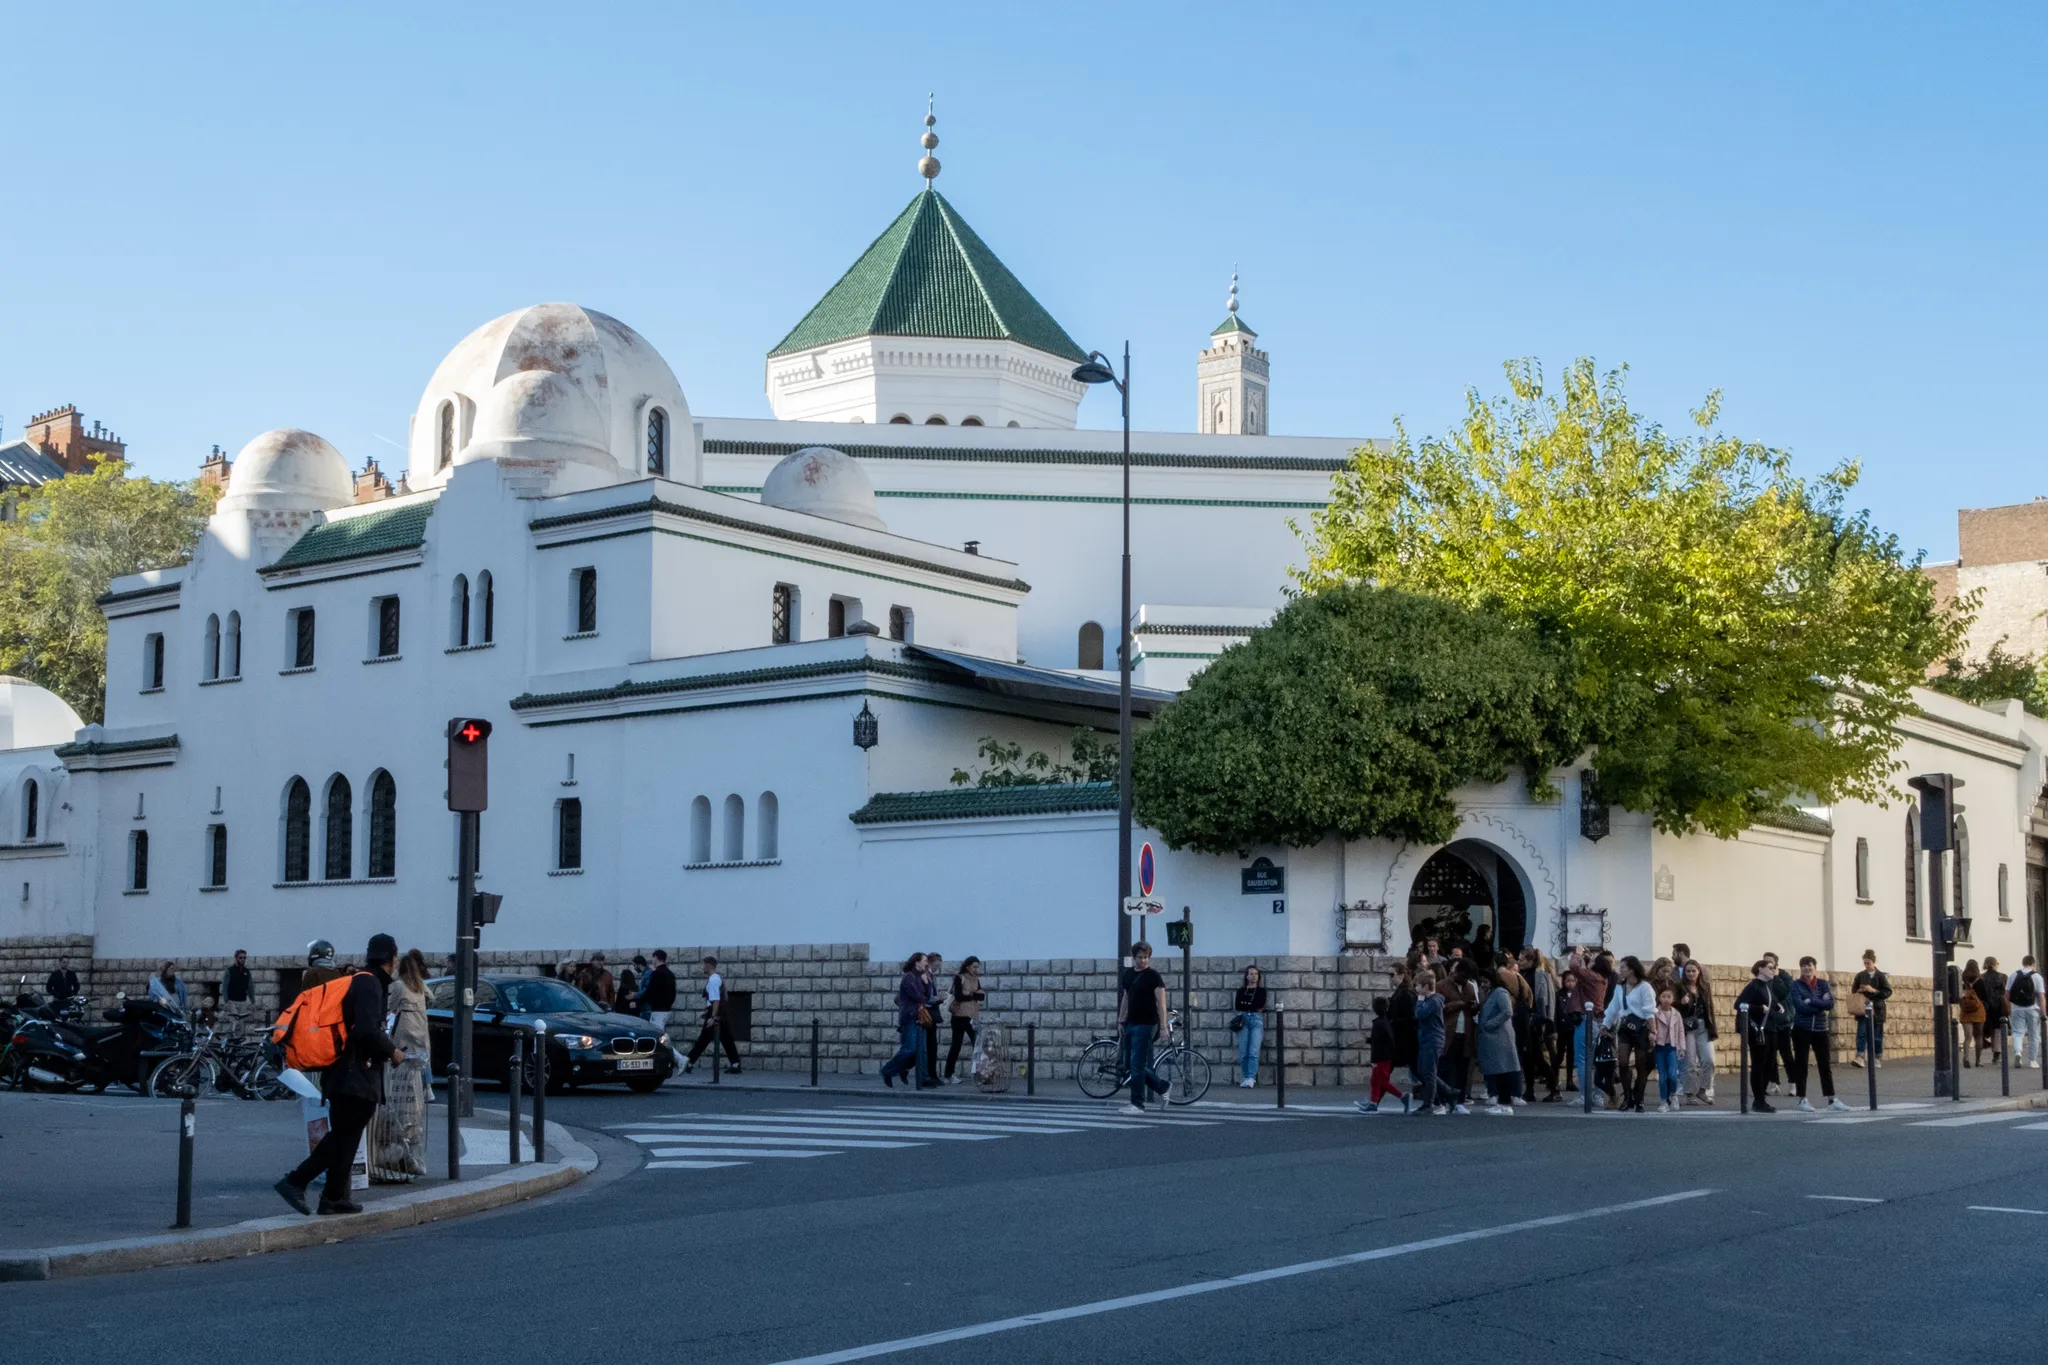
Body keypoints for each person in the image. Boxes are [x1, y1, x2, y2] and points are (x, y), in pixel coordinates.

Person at [275, 933, 403, 1216]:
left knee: (347, 1136)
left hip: (343, 1070)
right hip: (354, 1072)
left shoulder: (360, 980)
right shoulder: (369, 984)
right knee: (343, 1136)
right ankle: (295, 1181)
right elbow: (366, 1031)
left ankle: (333, 1197)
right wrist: (392, 1051)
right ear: (392, 959)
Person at [371, 948, 431, 1181]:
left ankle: (395, 1153)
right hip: (420, 1044)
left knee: (395, 1097)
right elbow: (432, 997)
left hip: (401, 1045)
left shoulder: (399, 986)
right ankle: (413, 1154)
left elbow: (385, 1008)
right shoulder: (420, 988)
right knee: (414, 1102)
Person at [1787, 955, 1849, 1112]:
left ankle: (1831, 1098)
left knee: (1825, 1065)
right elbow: (1800, 1007)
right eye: (1804, 966)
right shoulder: (1795, 985)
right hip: (1802, 1029)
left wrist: (1812, 1001)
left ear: (1815, 967)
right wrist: (1818, 1003)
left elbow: (1829, 1004)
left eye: (1809, 965)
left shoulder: (1822, 984)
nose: (1807, 969)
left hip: (1821, 1029)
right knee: (1801, 1065)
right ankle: (1802, 1099)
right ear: (1801, 969)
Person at [1118, 942, 1171, 1112]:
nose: (1143, 960)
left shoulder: (1153, 976)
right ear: (1134, 958)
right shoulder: (1128, 975)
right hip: (1131, 1023)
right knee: (1128, 1064)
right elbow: (1126, 997)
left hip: (1148, 1023)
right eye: (1140, 957)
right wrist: (1121, 1020)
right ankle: (1162, 1086)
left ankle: (1137, 1103)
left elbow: (1162, 1003)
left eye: (1146, 957)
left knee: (1136, 1063)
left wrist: (1163, 1027)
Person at [1602, 955, 1655, 1113]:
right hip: (1625, 1027)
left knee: (1641, 1065)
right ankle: (1627, 1097)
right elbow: (1613, 1007)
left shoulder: (1644, 987)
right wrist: (1605, 1024)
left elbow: (1649, 1011)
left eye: (1623, 967)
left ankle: (1639, 1099)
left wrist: (1653, 1031)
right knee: (1623, 1063)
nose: (1620, 970)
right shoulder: (1620, 987)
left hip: (1641, 1028)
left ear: (1631, 969)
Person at [1565, 948, 1610, 1107]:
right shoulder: (1601, 979)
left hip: (1586, 1021)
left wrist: (1577, 952)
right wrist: (1586, 958)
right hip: (1597, 1021)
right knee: (1595, 1062)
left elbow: (1574, 967)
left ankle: (1585, 1096)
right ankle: (1598, 1096)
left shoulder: (1591, 977)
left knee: (1582, 1060)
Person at [684, 955, 742, 1074]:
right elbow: (718, 998)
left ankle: (688, 1062)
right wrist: (707, 1011)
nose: (703, 968)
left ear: (709, 965)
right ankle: (735, 1063)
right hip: (720, 1013)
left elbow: (716, 1000)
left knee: (703, 1039)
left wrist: (713, 1017)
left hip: (716, 1014)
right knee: (726, 1039)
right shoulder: (716, 978)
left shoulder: (713, 980)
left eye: (704, 965)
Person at [881, 953, 932, 1088]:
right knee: (909, 1049)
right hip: (909, 1017)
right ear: (917, 962)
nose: (927, 963)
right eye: (925, 961)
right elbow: (918, 997)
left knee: (919, 1051)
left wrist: (927, 983)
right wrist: (924, 992)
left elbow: (929, 996)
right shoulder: (908, 977)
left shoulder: (921, 977)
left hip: (919, 1018)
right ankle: (888, 1070)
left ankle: (903, 1068)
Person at [1735, 960, 1778, 1113]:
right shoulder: (1753, 986)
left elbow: (1772, 1002)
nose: (1773, 970)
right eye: (1770, 968)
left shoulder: (1767, 986)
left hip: (1769, 1029)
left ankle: (1761, 1097)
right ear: (1760, 969)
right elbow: (1739, 1004)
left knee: (1769, 1063)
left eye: (1774, 968)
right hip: (1757, 1031)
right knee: (1759, 1064)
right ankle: (1759, 1100)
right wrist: (1759, 1008)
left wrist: (1777, 1007)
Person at [1355, 996, 1411, 1114]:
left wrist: (1370, 1041)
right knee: (1375, 1080)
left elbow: (1381, 1040)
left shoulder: (1379, 1023)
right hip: (1382, 1056)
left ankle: (1402, 1096)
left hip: (1381, 1057)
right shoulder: (1384, 1022)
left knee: (1382, 1082)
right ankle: (1373, 1102)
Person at [1475, 969, 1520, 1115]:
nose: (1483, 984)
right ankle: (1502, 1102)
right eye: (1482, 982)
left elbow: (1507, 1011)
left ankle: (1505, 1103)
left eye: (1486, 981)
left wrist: (1490, 1024)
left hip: (1500, 1037)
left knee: (1503, 1070)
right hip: (1494, 1037)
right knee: (1498, 1070)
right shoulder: (1490, 993)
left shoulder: (1500, 992)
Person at [1518, 949, 1559, 1102]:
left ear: (1531, 961)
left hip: (1536, 1021)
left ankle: (1554, 1088)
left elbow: (1549, 1001)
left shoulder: (1542, 976)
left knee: (1537, 1057)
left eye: (1522, 959)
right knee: (1527, 1057)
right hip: (1523, 1020)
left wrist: (1549, 1023)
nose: (1519, 962)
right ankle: (1529, 1089)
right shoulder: (1520, 975)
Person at [1676, 960, 1717, 1104]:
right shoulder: (1680, 987)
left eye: (1694, 971)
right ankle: (1689, 1094)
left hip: (1702, 1026)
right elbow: (1673, 1006)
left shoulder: (1704, 987)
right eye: (1688, 971)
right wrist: (1682, 1003)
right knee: (1690, 1062)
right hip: (1687, 1028)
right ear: (1684, 973)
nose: (1691, 974)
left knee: (1709, 1060)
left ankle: (1703, 1090)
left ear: (1699, 971)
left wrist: (1713, 1030)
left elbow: (1710, 1009)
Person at [944, 956, 985, 1084]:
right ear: (967, 966)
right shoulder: (959, 977)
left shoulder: (976, 979)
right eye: (974, 967)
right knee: (957, 1045)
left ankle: (980, 1073)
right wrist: (973, 995)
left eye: (978, 967)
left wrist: (969, 994)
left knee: (977, 1045)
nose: (977, 969)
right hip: (959, 1016)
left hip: (972, 1016)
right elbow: (959, 996)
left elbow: (982, 996)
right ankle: (949, 1075)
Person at [1411, 971, 1446, 1115]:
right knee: (1422, 1070)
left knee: (1429, 1072)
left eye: (1418, 986)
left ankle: (1429, 1103)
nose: (1416, 989)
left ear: (1426, 986)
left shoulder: (1434, 1001)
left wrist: (1419, 1000)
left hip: (1432, 1040)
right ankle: (1448, 1092)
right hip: (1426, 1039)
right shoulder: (1431, 1001)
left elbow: (1420, 1014)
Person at [1851, 949, 1892, 1070]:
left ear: (1873, 962)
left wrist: (1873, 990)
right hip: (1863, 1008)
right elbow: (1853, 991)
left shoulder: (1880, 976)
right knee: (1862, 1033)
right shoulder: (1860, 975)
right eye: (1865, 963)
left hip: (1877, 1009)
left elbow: (1887, 991)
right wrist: (1860, 990)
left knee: (1877, 1035)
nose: (1866, 965)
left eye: (1868, 963)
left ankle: (1876, 1057)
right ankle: (1860, 1057)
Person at [1764, 953, 1795, 1093]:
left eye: (1770, 962)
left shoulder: (1784, 977)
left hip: (1783, 1020)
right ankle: (1774, 1082)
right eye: (1764, 962)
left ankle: (1793, 1083)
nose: (1767, 965)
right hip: (1769, 1020)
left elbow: (1784, 993)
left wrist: (1776, 977)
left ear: (1776, 963)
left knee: (1786, 1053)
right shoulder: (1763, 978)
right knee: (1770, 1054)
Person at [1232, 964, 1268, 1088]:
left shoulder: (1261, 991)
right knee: (1243, 1051)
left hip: (1256, 1020)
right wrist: (1250, 1005)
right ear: (1246, 976)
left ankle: (1251, 1078)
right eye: (1251, 974)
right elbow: (1238, 1005)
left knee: (1253, 1050)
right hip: (1243, 1020)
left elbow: (1260, 1004)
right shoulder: (1241, 991)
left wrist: (1247, 1004)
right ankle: (1245, 1077)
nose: (1254, 976)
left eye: (1256, 974)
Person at [1652, 987, 1685, 1112]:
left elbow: (1681, 1031)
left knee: (1672, 1074)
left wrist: (1682, 1047)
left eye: (1669, 997)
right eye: (1663, 996)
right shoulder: (1655, 1013)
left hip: (1672, 1047)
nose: (1666, 999)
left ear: (1673, 999)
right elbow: (1652, 1028)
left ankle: (1673, 1095)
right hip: (1659, 1047)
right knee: (1662, 1075)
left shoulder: (1676, 1014)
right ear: (1659, 998)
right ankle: (1663, 1101)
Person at [2008, 955, 2044, 1069]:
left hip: (2017, 1008)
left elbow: (2007, 995)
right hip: (2033, 1008)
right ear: (2033, 964)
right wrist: (2043, 1013)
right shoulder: (2037, 977)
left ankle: (2018, 1052)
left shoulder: (2014, 975)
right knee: (2034, 1035)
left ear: (2023, 963)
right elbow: (2041, 997)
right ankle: (2032, 1060)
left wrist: (2010, 1009)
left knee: (2018, 1033)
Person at [1975, 956, 2009, 1066]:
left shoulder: (1980, 977)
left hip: (1985, 1006)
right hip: (1999, 1006)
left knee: (1987, 1029)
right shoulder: (2003, 977)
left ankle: (1985, 1053)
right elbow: (2005, 992)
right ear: (1995, 964)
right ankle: (1996, 1055)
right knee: (1998, 1029)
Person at [642, 949, 679, 1044]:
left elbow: (650, 992)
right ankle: (678, 1058)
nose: (652, 961)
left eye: (653, 958)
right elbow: (673, 992)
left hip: (658, 1009)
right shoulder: (670, 974)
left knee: (657, 1035)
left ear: (656, 958)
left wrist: (639, 1002)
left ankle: (679, 1058)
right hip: (666, 1008)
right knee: (659, 1035)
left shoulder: (656, 973)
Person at [919, 953, 945, 1086]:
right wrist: (938, 998)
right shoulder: (924, 976)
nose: (938, 966)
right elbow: (925, 998)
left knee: (930, 1046)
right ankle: (929, 1075)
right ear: (929, 962)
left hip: (931, 1014)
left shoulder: (930, 976)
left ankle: (931, 1074)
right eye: (937, 964)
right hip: (926, 1015)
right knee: (928, 1047)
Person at [218, 949, 254, 1032]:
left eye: (244, 958)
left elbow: (250, 987)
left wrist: (253, 1001)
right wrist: (226, 1000)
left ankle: (237, 1042)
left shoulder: (247, 972)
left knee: (241, 1024)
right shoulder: (230, 971)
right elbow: (225, 986)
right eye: (240, 957)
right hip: (232, 1002)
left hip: (242, 1002)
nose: (242, 959)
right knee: (234, 1022)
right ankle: (229, 1040)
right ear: (236, 958)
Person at [1959, 959, 1985, 1066]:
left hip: (1966, 1012)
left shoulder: (1961, 980)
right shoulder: (1980, 981)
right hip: (1978, 1011)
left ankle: (1966, 1057)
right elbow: (1985, 996)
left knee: (1967, 1037)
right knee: (1978, 1036)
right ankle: (1978, 1061)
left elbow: (1958, 996)